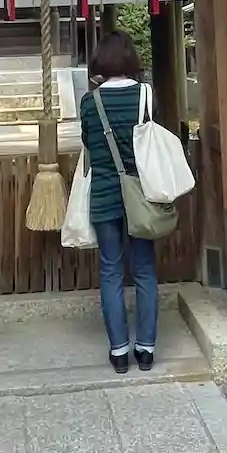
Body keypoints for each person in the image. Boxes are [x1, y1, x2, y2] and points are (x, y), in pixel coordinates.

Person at [79, 28, 158, 373]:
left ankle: (119, 351)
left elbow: (88, 144)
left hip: (104, 195)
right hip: (141, 195)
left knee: (111, 270)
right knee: (144, 269)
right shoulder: (145, 95)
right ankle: (147, 348)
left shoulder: (89, 103)